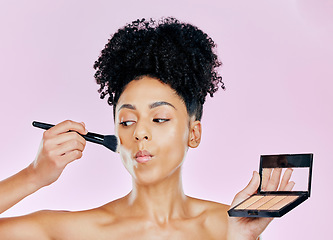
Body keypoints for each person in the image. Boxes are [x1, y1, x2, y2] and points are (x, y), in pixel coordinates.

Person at [0, 17, 293, 239]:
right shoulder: (79, 230)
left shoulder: (228, 225)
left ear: (194, 133)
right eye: (127, 121)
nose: (140, 133)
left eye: (159, 118)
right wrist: (34, 175)